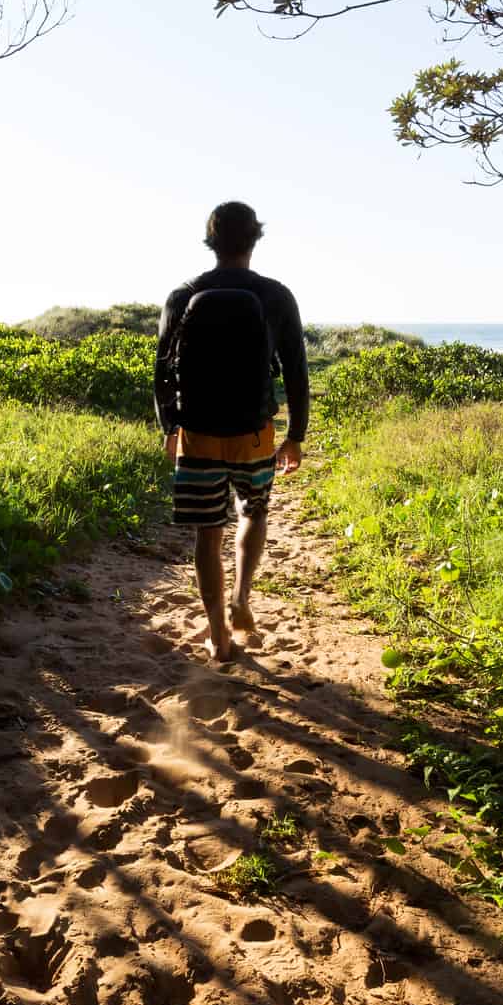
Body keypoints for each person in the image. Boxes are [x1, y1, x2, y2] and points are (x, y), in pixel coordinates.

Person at [153, 200, 309, 663]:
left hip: (198, 431)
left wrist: (169, 427)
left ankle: (218, 633)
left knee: (207, 531)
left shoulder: (184, 295)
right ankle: (242, 596)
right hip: (254, 432)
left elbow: (162, 370)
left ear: (211, 241)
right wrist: (295, 433)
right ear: (254, 239)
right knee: (254, 511)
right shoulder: (275, 295)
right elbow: (297, 372)